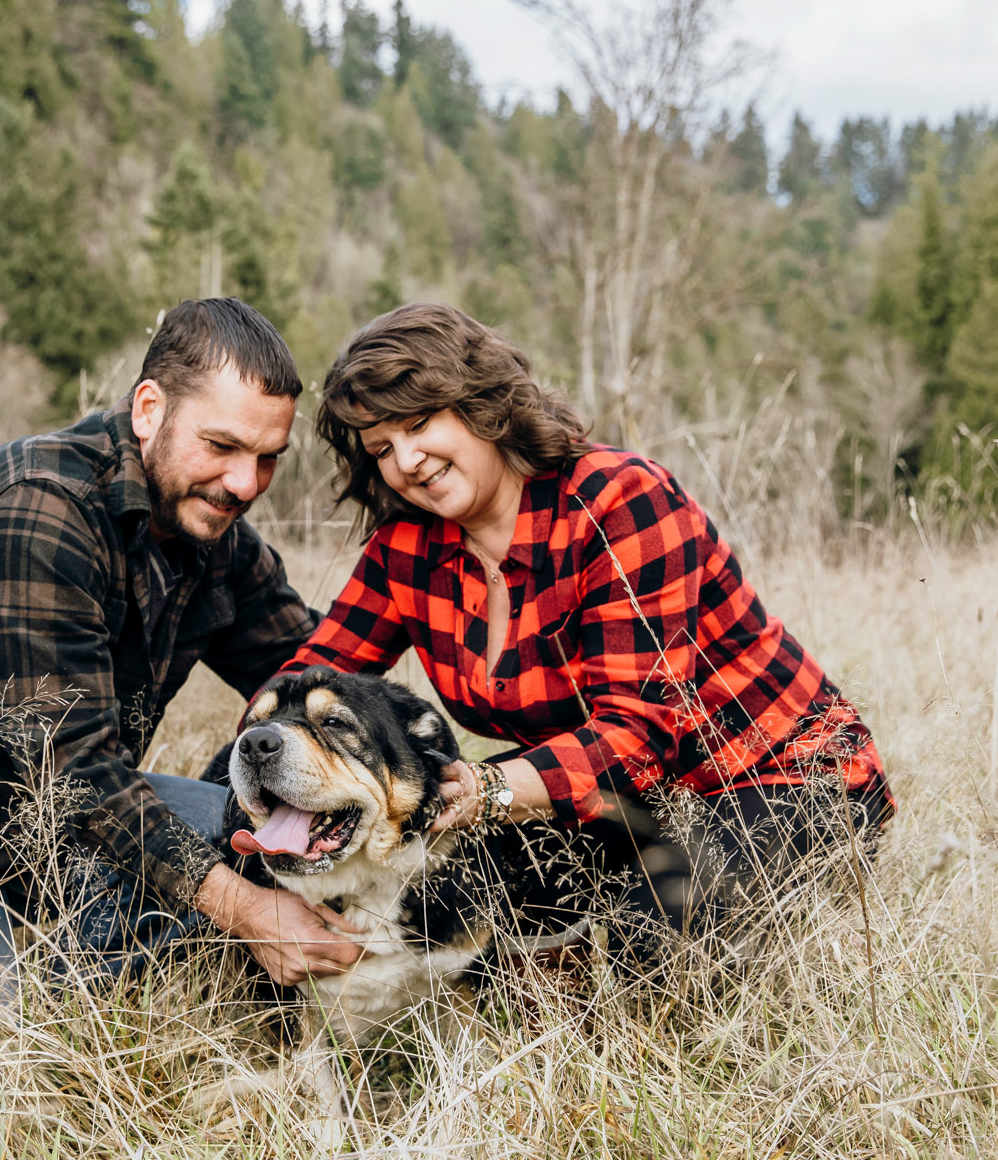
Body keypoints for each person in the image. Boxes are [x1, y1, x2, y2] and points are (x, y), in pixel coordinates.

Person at [0, 298, 364, 1005]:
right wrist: (250, 913)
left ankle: (193, 985)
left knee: (272, 835)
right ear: (149, 409)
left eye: (268, 459)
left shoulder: (212, 535)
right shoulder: (35, 511)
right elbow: (75, 773)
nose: (245, 484)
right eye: (223, 447)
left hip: (41, 834)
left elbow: (320, 679)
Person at [278, 303, 894, 971]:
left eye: (420, 424)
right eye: (381, 449)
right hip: (612, 799)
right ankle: (534, 1016)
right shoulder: (408, 547)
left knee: (653, 931)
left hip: (780, 778)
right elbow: (312, 677)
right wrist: (262, 773)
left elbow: (640, 732)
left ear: (481, 402)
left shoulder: (618, 501)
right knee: (456, 893)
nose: (407, 461)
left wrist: (485, 791)